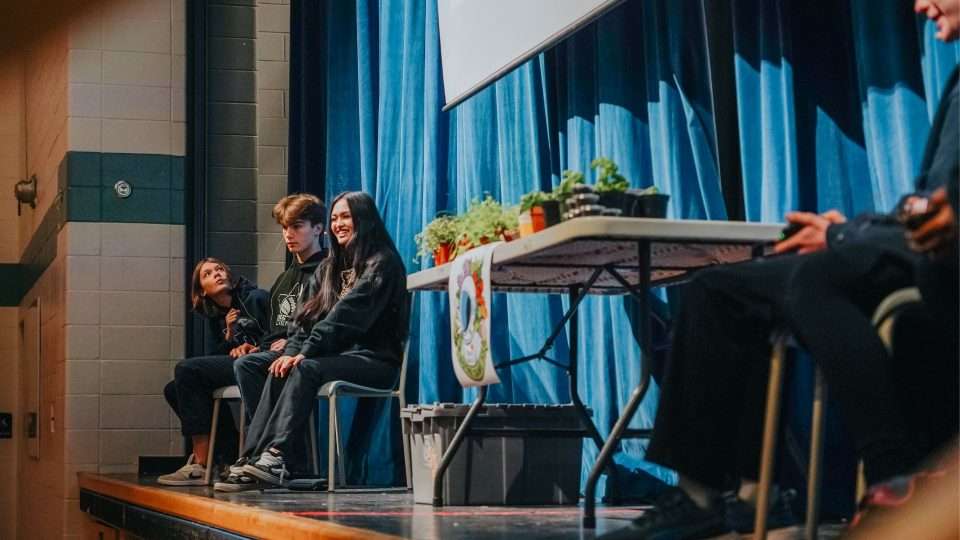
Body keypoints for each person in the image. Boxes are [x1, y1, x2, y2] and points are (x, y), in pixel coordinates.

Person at [602, 2, 959, 538]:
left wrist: (844, 237)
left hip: (941, 258)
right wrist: (852, 227)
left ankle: (893, 474)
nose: (920, 5)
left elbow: (944, 212)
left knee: (819, 276)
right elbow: (927, 203)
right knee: (717, 290)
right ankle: (719, 496)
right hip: (910, 242)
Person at [215, 191, 410, 491]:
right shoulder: (329, 268)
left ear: (364, 219)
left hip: (373, 360)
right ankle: (255, 456)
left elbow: (347, 316)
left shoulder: (381, 262)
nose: (338, 224)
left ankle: (277, 454)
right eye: (335, 218)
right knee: (257, 365)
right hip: (332, 356)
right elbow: (302, 321)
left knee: (304, 368)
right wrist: (292, 351)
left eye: (346, 216)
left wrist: (304, 353)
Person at [158, 258, 269, 485]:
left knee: (186, 370)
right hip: (240, 365)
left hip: (259, 363)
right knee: (173, 389)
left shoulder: (254, 298)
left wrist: (255, 347)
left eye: (219, 269)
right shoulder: (216, 317)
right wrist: (229, 334)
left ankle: (203, 463)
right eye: (208, 274)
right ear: (203, 292)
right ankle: (226, 454)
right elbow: (214, 356)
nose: (217, 274)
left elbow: (277, 333)